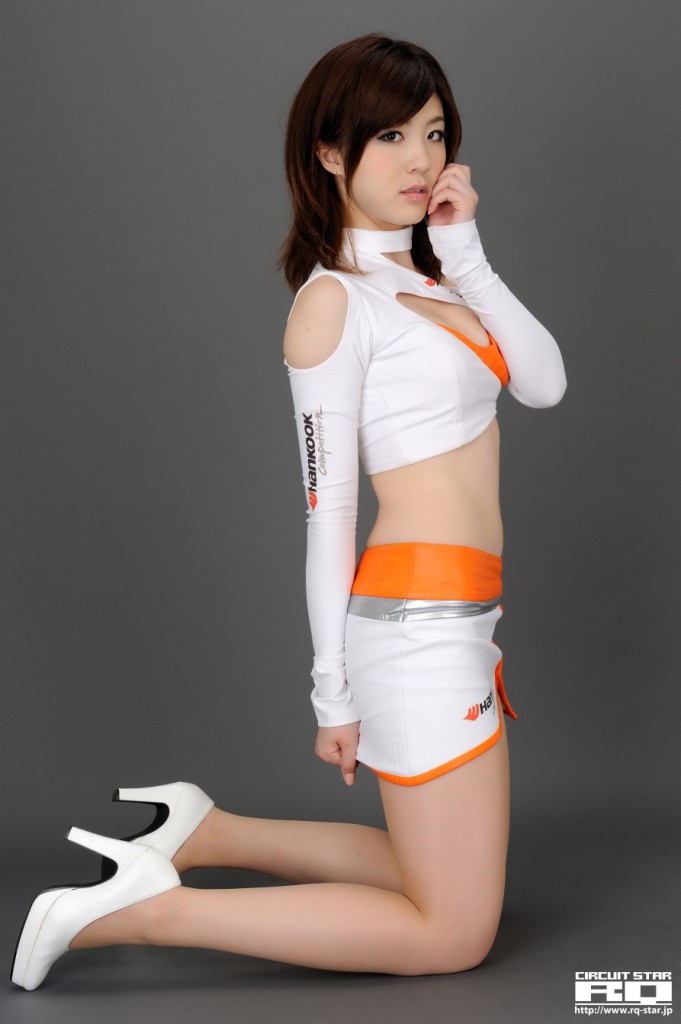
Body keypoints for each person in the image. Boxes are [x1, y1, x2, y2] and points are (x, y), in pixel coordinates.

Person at [11, 33, 566, 991]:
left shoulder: (429, 280)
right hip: (415, 626)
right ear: (329, 152)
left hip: (465, 615)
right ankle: (132, 912)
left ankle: (205, 832)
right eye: (389, 136)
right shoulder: (333, 304)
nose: (420, 159)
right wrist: (330, 691)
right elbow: (327, 515)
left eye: (435, 133)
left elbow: (544, 384)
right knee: (452, 934)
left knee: (442, 878)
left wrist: (466, 253)